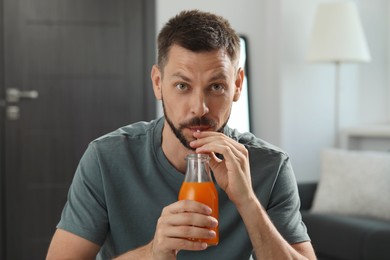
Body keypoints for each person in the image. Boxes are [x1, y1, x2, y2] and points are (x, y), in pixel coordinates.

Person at [46, 9, 316, 260]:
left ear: (237, 85)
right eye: (182, 85)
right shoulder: (106, 158)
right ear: (158, 83)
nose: (200, 107)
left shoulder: (271, 166)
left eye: (217, 87)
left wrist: (248, 202)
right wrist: (154, 252)